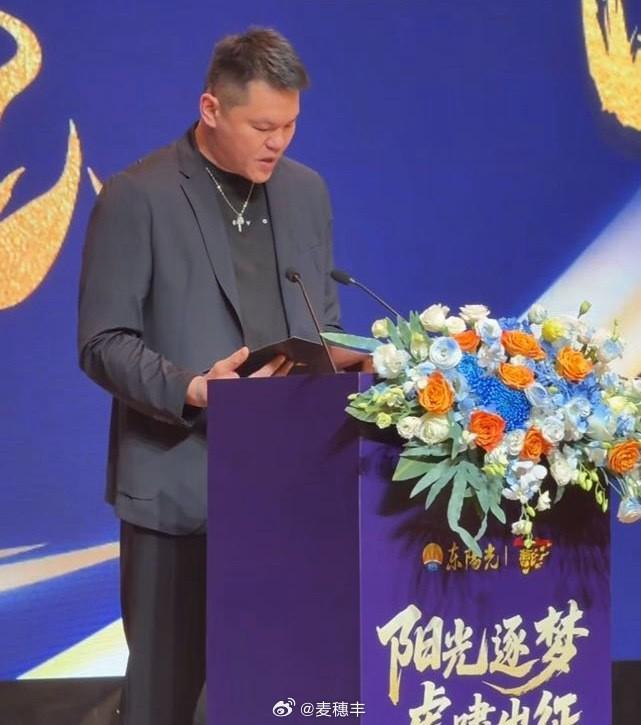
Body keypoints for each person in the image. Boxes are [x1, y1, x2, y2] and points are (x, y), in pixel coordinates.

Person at [78, 27, 344, 725]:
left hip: (289, 493)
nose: (278, 142)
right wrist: (194, 388)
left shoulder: (306, 192)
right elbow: (102, 342)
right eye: (262, 126)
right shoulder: (137, 197)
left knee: (280, 695)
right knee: (164, 699)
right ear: (211, 109)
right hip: (179, 485)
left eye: (289, 125)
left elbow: (323, 319)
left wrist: (351, 358)